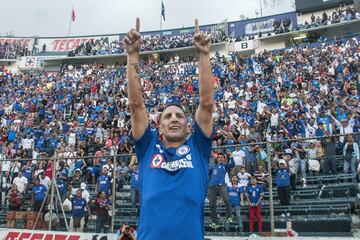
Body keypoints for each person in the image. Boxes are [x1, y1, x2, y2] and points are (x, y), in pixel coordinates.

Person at [125, 18, 214, 239]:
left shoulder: (198, 147)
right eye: (168, 116)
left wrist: (203, 55)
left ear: (188, 125)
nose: (174, 119)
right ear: (160, 126)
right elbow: (136, 106)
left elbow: (206, 104)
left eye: (180, 116)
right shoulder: (148, 147)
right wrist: (132, 55)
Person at [208, 153, 234, 229]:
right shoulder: (213, 167)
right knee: (211, 205)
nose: (220, 158)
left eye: (222, 157)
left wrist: (231, 156)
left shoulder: (225, 166)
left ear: (224, 159)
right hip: (211, 186)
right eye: (219, 157)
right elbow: (207, 173)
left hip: (221, 186)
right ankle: (215, 222)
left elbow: (232, 164)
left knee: (227, 201)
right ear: (217, 158)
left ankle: (229, 217)